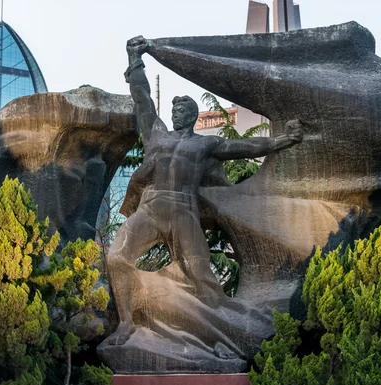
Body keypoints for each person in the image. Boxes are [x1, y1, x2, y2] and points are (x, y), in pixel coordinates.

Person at [106, 36, 303, 345]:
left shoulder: (206, 144)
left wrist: (283, 141)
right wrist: (134, 58)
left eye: (182, 109)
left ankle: (225, 338)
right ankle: (126, 323)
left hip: (184, 212)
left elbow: (246, 146)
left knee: (203, 280)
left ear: (193, 115)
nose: (175, 113)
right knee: (117, 259)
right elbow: (141, 97)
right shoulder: (156, 134)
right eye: (173, 109)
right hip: (151, 209)